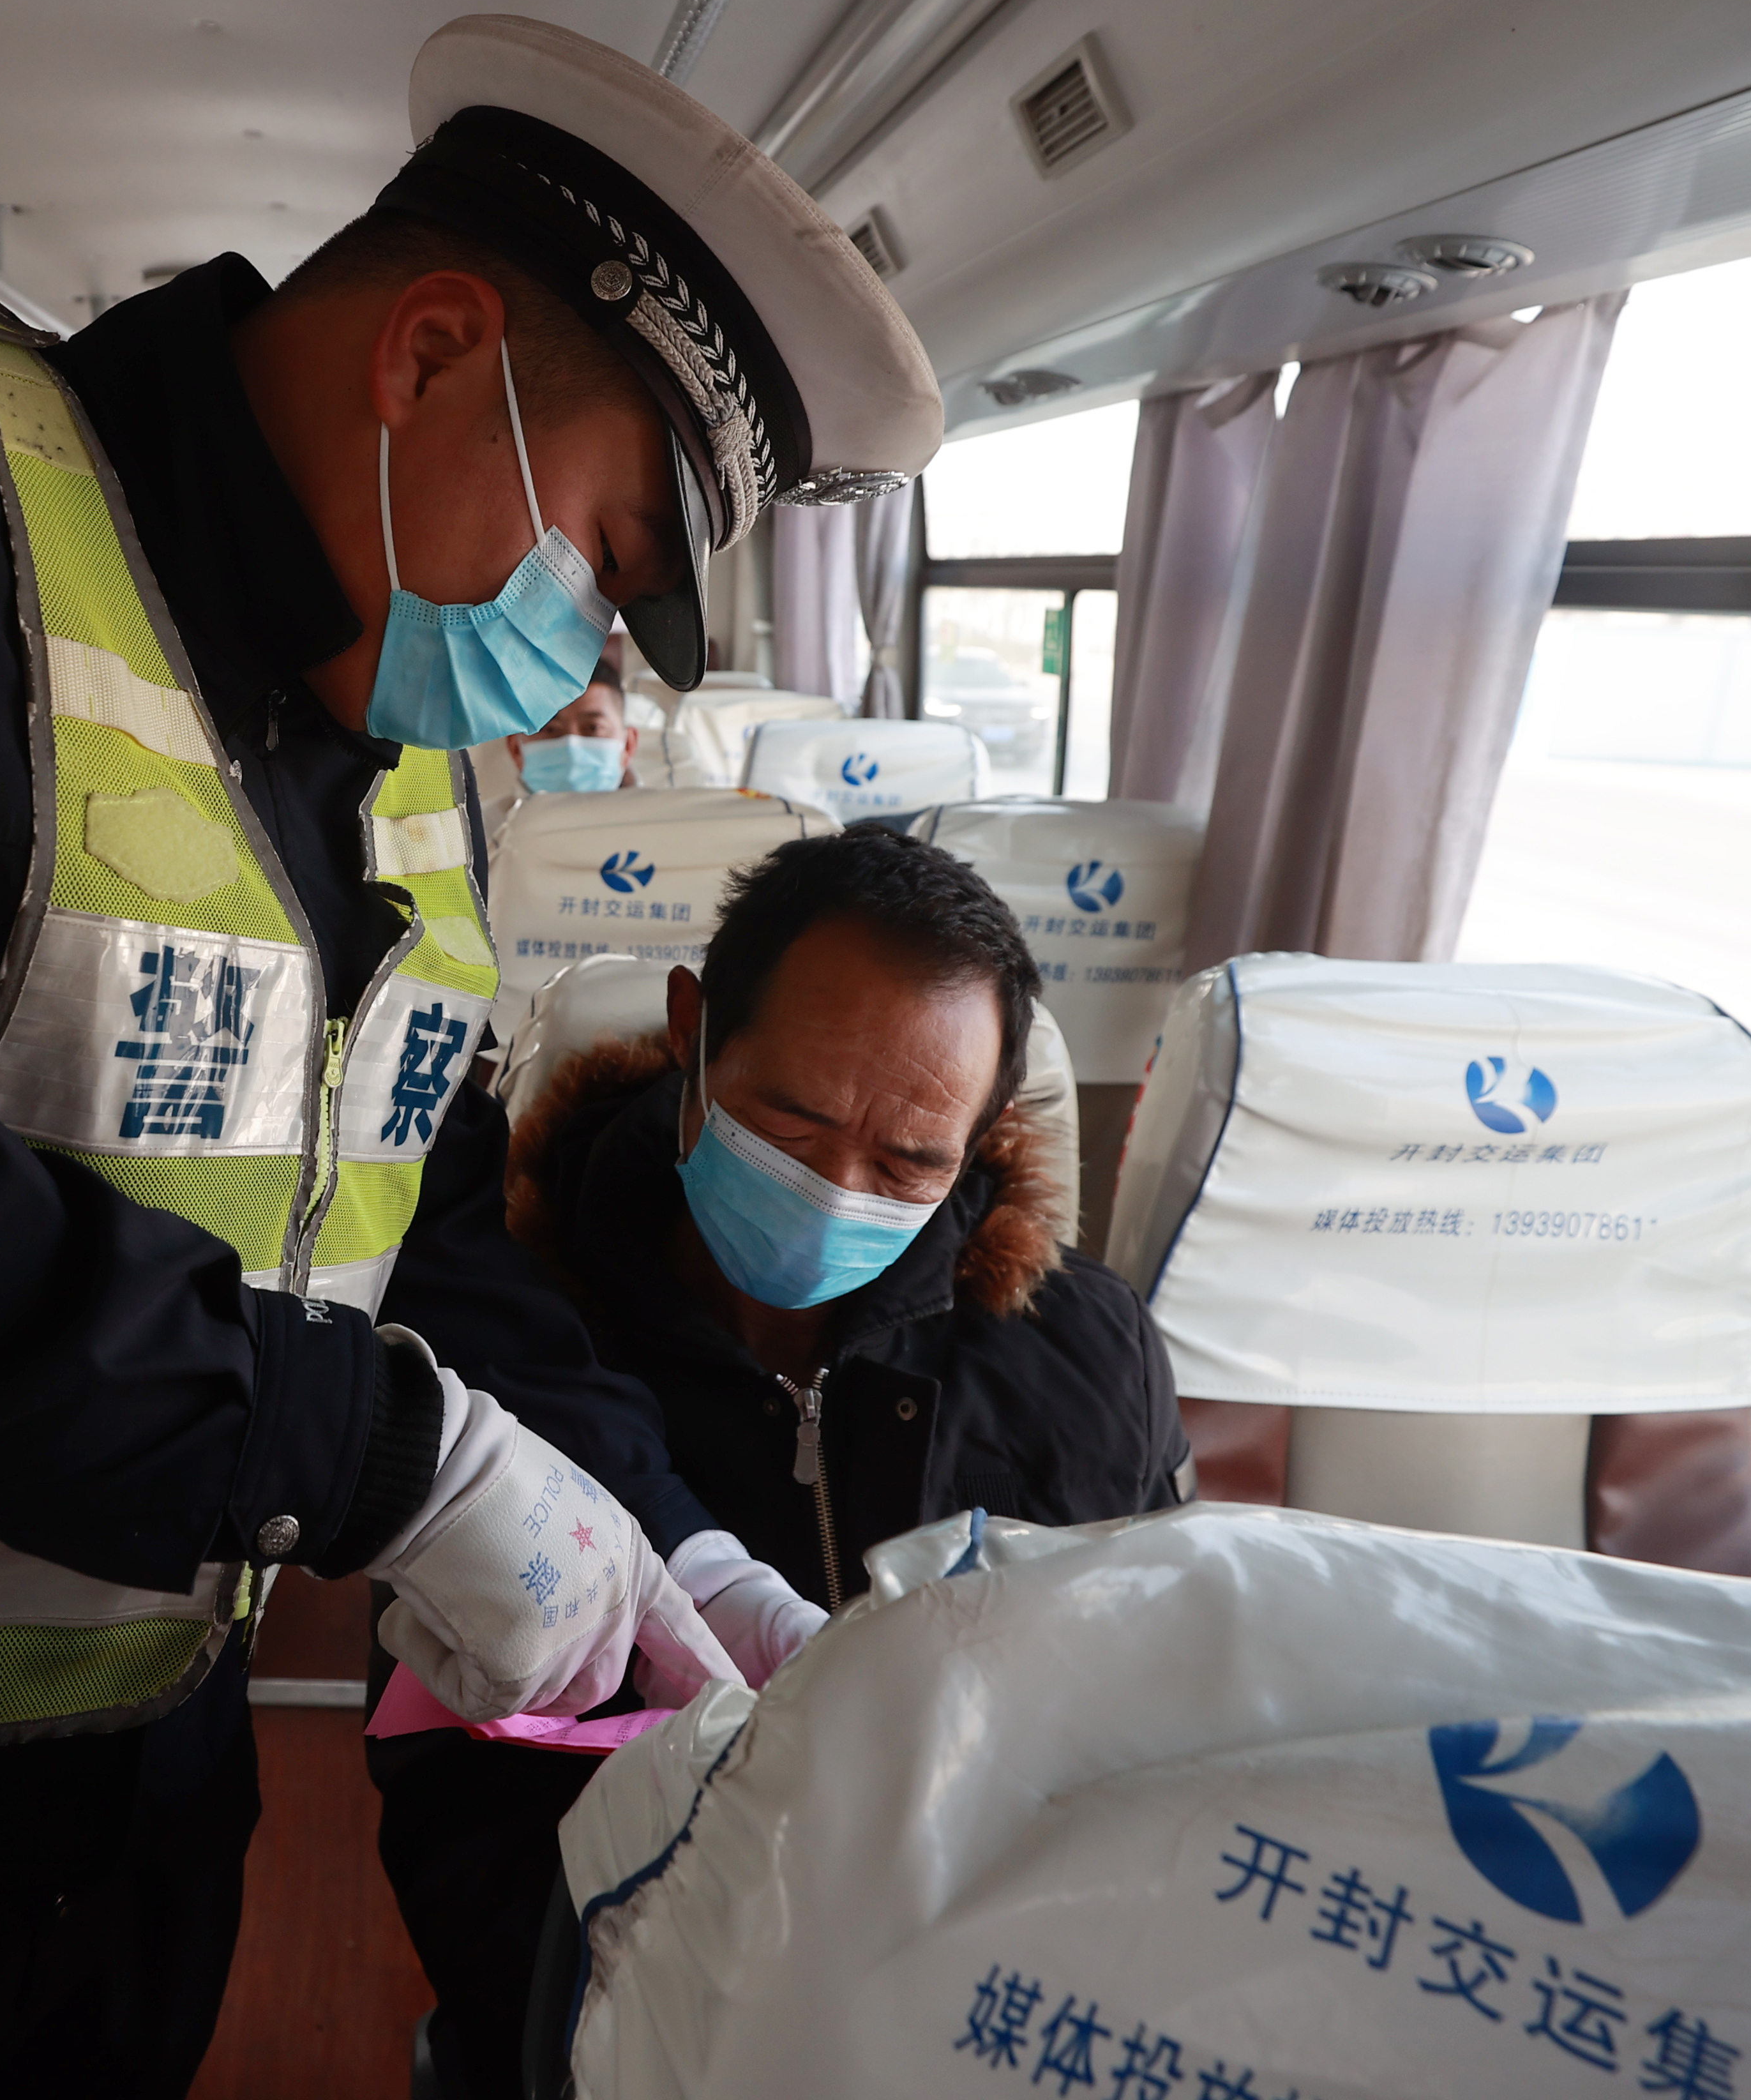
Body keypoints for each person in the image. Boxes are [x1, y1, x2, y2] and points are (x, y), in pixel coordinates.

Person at [0, 13, 944, 2097]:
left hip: (121, 1810)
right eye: (601, 557)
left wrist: (668, 1528)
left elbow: (419, 1228)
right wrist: (392, 1462)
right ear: (427, 355)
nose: (574, 649)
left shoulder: (435, 776)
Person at [370, 826, 1194, 2094]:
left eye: (911, 1159)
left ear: (978, 1139)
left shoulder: (1087, 1360)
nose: (838, 1189)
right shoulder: (515, 1337)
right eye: (793, 1123)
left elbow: (1140, 1739)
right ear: (694, 1029)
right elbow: (456, 1801)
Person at [506, 656, 636, 793]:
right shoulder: (490, 815)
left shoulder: (658, 813)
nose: (571, 745)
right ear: (515, 747)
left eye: (594, 728)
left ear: (628, 744)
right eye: (550, 729)